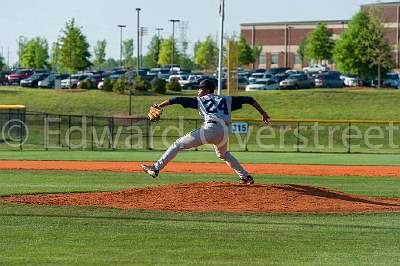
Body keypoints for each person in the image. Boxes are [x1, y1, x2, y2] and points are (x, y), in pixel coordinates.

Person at [141, 79, 271, 184]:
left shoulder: (200, 100)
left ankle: (156, 168)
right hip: (224, 131)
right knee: (223, 154)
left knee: (178, 144)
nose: (198, 91)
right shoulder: (227, 99)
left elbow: (177, 100)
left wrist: (159, 106)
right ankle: (245, 176)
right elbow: (249, 99)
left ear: (207, 90)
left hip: (210, 128)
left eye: (200, 88)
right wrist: (263, 113)